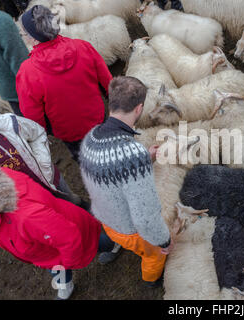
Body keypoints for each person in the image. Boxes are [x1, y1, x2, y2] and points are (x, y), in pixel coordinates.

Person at [80, 76, 173, 288]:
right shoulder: (132, 154)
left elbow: (106, 174)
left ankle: (114, 246)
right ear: (139, 108)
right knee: (155, 255)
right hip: (130, 231)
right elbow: (146, 217)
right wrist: (164, 240)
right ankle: (152, 280)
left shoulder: (91, 137)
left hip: (105, 218)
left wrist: (145, 159)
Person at [0, 163, 121, 300]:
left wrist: (69, 263)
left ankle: (114, 245)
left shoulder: (26, 217)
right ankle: (65, 284)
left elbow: (68, 237)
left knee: (91, 243)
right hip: (46, 247)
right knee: (57, 267)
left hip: (61, 238)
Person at [16, 5, 113, 162]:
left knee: (87, 161)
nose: (22, 35)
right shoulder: (83, 47)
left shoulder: (28, 72)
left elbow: (33, 115)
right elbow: (108, 83)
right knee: (110, 148)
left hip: (69, 132)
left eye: (23, 32)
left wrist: (44, 132)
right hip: (97, 117)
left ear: (33, 37)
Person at [0, 112, 87, 209]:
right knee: (55, 213)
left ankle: (83, 208)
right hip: (28, 196)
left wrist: (43, 162)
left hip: (48, 176)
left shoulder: (8, 124)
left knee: (70, 199)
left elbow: (37, 134)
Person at [0, 0, 29, 115]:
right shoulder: (0, 20)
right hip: (22, 90)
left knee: (27, 127)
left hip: (3, 89)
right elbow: (19, 59)